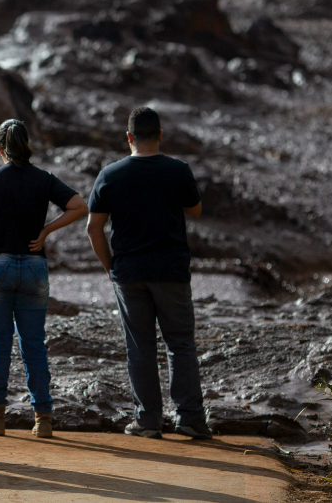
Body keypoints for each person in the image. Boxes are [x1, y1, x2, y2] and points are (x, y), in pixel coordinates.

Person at [86, 106, 212, 440]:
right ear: (160, 136)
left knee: (140, 347)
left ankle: (148, 420)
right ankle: (189, 418)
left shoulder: (110, 175)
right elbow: (196, 210)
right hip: (170, 270)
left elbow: (93, 228)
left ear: (128, 137)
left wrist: (110, 266)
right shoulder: (178, 170)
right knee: (180, 344)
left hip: (129, 272)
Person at [0, 120, 87, 439]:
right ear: (27, 145)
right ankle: (43, 419)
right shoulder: (43, 179)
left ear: (0, 148)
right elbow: (79, 206)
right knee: (34, 345)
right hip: (33, 268)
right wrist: (45, 231)